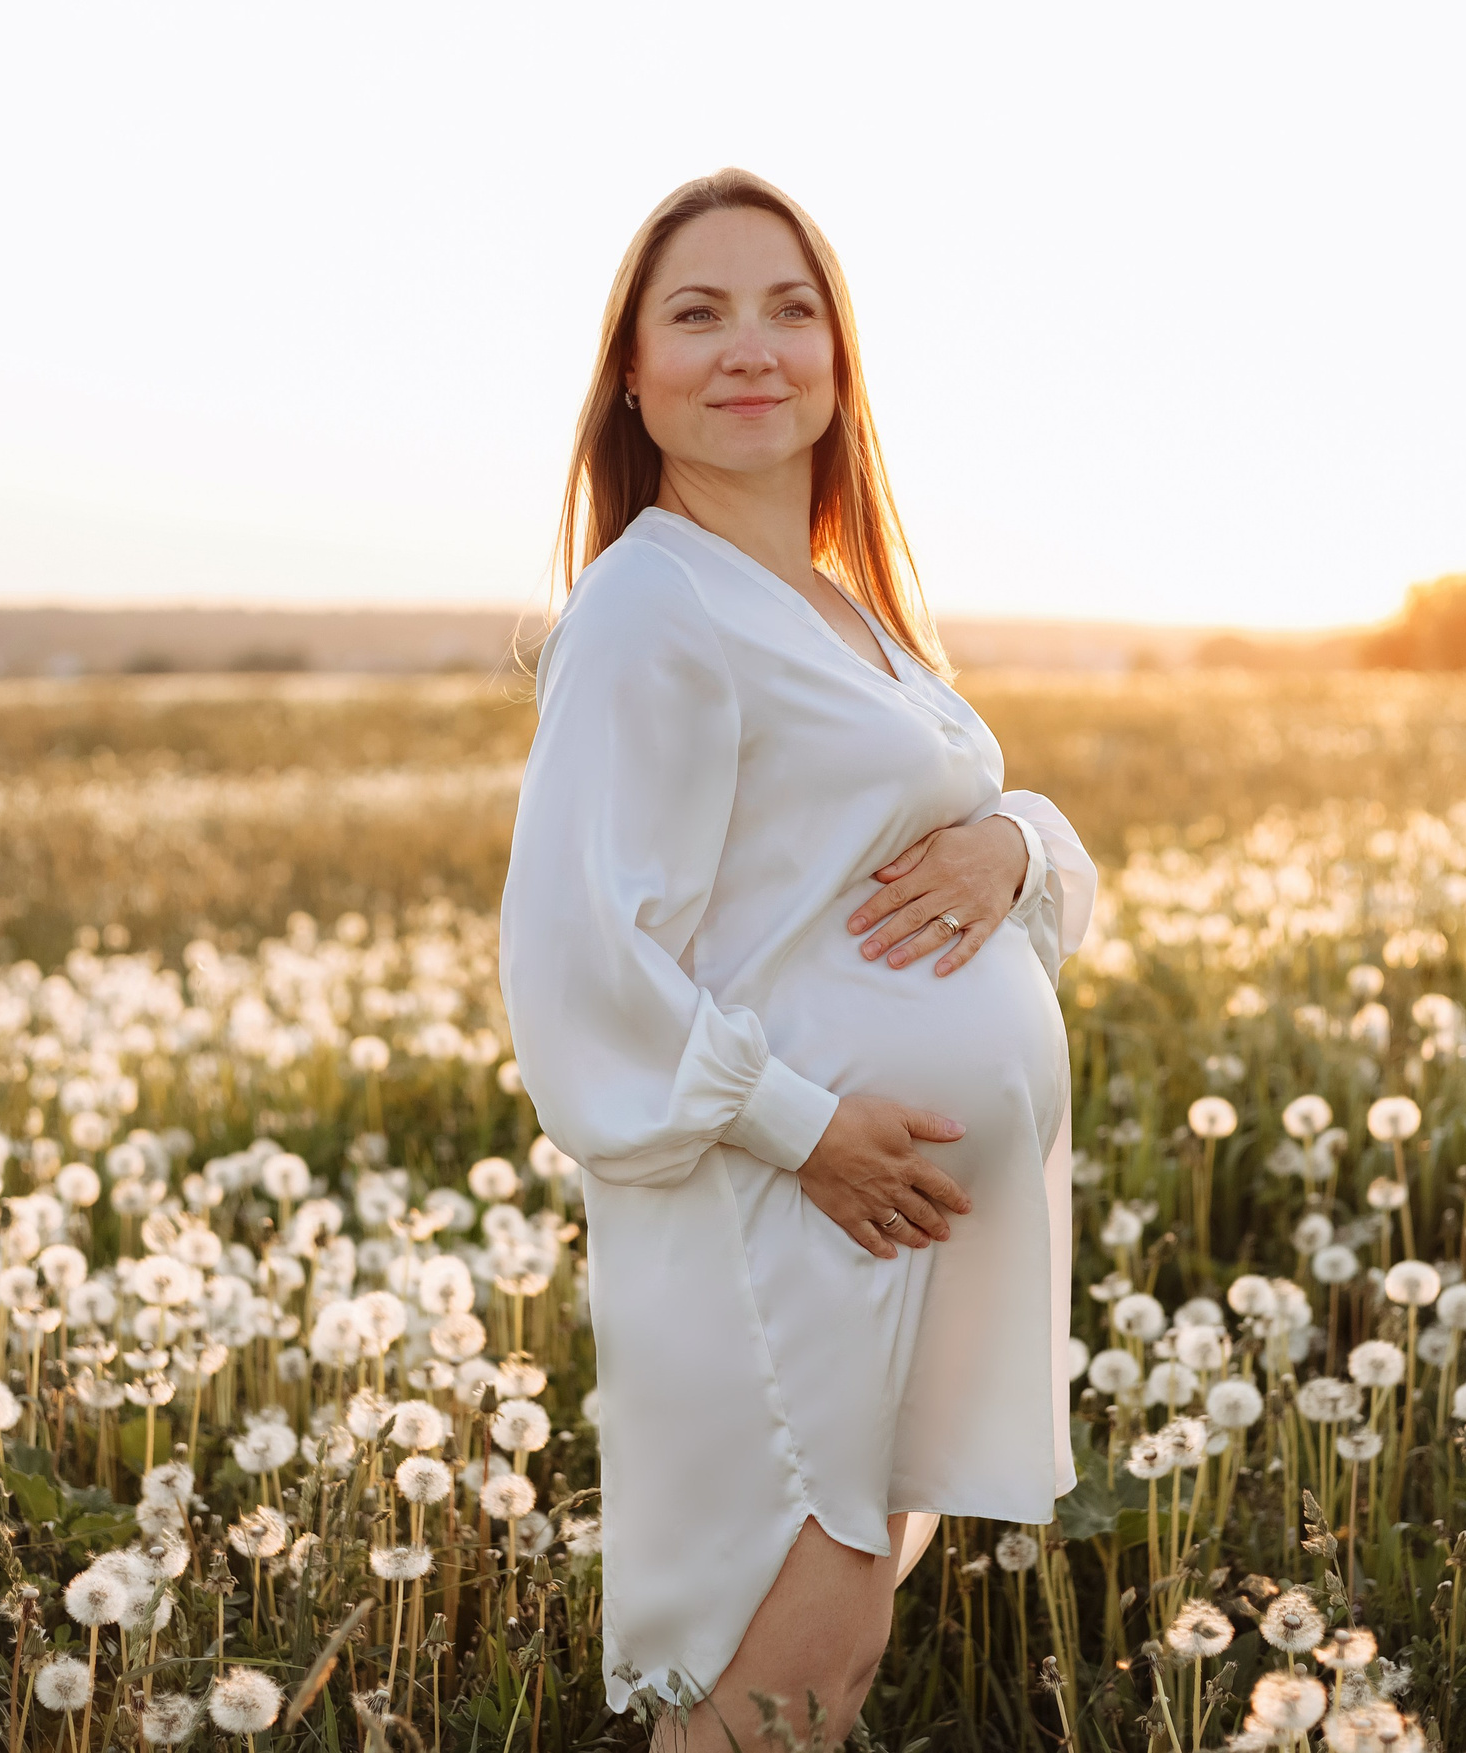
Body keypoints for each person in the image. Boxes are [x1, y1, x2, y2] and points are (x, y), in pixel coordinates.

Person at [498, 168, 1097, 1751]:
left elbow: (980, 859)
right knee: (764, 1692)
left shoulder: (839, 604)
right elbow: (580, 964)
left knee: (816, 1678)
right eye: (698, 314)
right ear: (632, 371)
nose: (750, 347)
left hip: (885, 1221)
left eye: (791, 307)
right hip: (779, 1218)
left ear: (840, 356)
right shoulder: (645, 608)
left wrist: (1018, 839)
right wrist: (806, 1126)